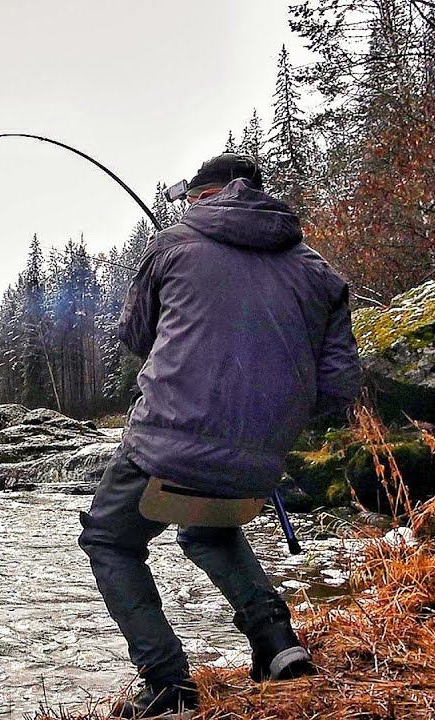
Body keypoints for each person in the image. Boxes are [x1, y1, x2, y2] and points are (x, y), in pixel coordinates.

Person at [78, 153, 362, 718]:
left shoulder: (173, 244)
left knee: (111, 541)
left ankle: (168, 685)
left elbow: (137, 336)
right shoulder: (319, 271)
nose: (185, 207)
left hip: (166, 436)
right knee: (209, 532)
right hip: (260, 456)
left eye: (190, 199)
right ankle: (278, 645)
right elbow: (339, 383)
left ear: (206, 195)